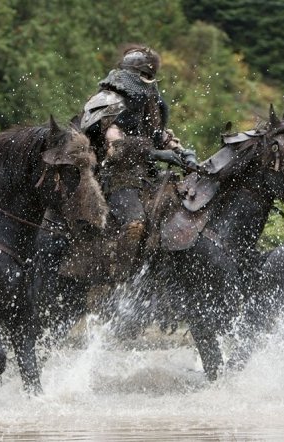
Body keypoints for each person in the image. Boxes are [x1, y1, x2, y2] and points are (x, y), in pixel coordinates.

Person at [80, 45, 197, 277]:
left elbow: (156, 134)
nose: (148, 81)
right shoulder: (110, 101)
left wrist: (181, 152)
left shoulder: (147, 102)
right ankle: (117, 279)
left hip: (150, 178)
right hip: (117, 178)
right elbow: (115, 146)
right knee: (135, 225)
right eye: (145, 75)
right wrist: (155, 154)